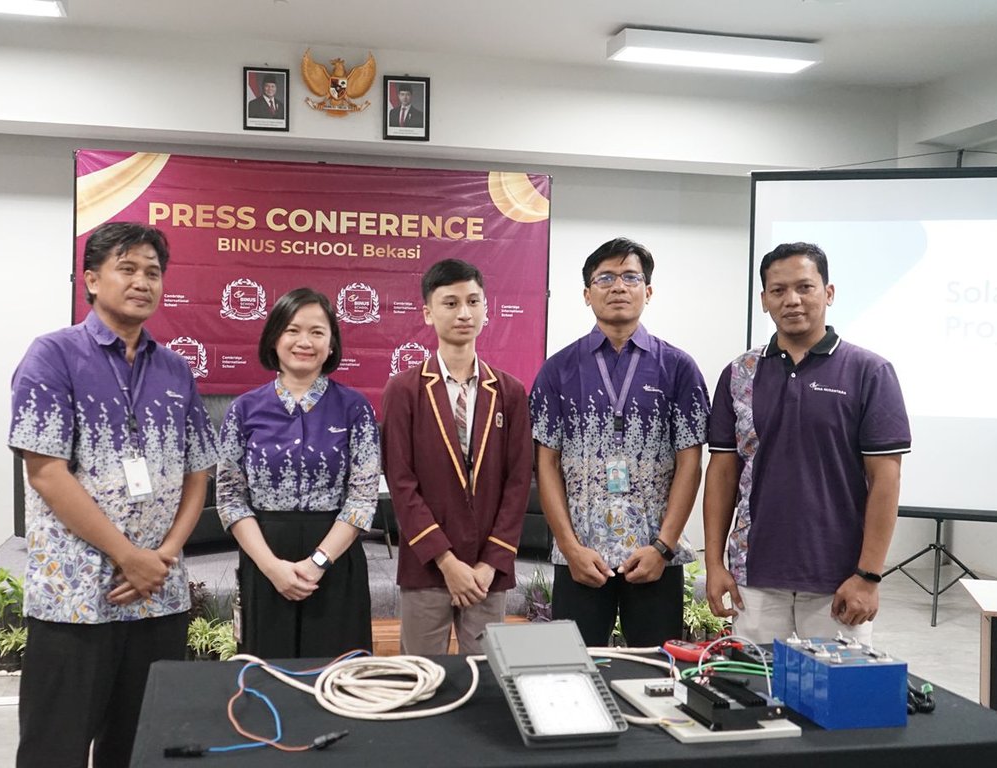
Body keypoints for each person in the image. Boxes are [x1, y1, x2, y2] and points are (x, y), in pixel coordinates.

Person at [8, 222, 220, 768]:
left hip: (156, 595)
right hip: (76, 598)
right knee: (55, 746)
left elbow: (199, 471)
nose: (142, 282)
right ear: (92, 279)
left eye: (153, 272)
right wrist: (129, 556)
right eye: (127, 268)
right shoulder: (52, 355)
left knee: (143, 746)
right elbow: (47, 473)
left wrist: (166, 555)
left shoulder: (174, 367)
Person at [703, 242, 910, 647]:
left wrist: (868, 576)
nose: (792, 300)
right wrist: (714, 563)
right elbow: (723, 472)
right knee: (752, 696)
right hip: (754, 573)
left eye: (805, 287)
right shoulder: (740, 374)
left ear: (828, 293)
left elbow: (886, 479)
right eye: (778, 291)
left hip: (839, 578)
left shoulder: (869, 371)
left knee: (837, 703)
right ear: (764, 300)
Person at [530, 237, 709, 648]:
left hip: (653, 559)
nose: (618, 287)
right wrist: (570, 548)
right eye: (605, 278)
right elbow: (546, 465)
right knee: (573, 671)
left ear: (647, 291)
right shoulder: (557, 370)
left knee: (654, 673)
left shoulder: (678, 368)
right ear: (587, 293)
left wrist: (662, 548)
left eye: (630, 277)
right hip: (581, 561)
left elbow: (690, 464)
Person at [216, 287, 379, 658]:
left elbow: (363, 497)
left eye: (317, 332)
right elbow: (229, 498)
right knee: (267, 679)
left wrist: (318, 562)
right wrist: (272, 567)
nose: (304, 341)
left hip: (336, 562)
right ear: (274, 338)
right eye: (292, 330)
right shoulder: (244, 410)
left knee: (338, 679)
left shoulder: (355, 408)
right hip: (265, 559)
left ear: (332, 344)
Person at [381, 259, 533, 655]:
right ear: (428, 313)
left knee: (484, 682)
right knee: (421, 678)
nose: (463, 313)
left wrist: (488, 564)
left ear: (486, 309)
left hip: (488, 570)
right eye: (450, 303)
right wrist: (447, 562)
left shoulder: (510, 392)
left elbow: (518, 484)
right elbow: (401, 484)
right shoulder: (404, 390)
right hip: (427, 566)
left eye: (473, 301)